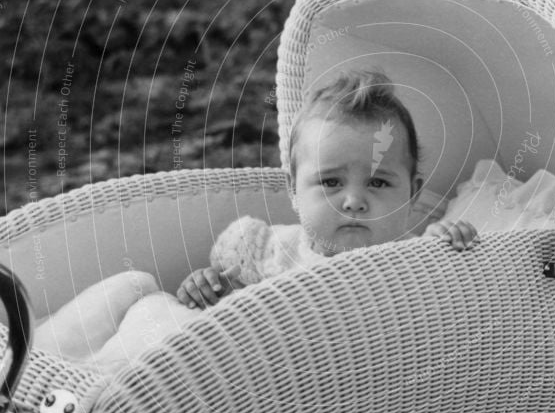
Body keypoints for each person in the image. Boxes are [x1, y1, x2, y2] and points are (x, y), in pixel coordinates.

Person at [35, 70, 477, 369]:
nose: (354, 201)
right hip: (200, 352)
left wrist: (450, 246)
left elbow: (451, 305)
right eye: (330, 182)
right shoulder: (268, 250)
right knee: (140, 294)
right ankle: (43, 358)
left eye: (379, 184)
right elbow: (228, 304)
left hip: (251, 383)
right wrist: (207, 288)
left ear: (413, 194)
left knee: (170, 334)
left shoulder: (417, 261)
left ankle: (93, 386)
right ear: (293, 190)